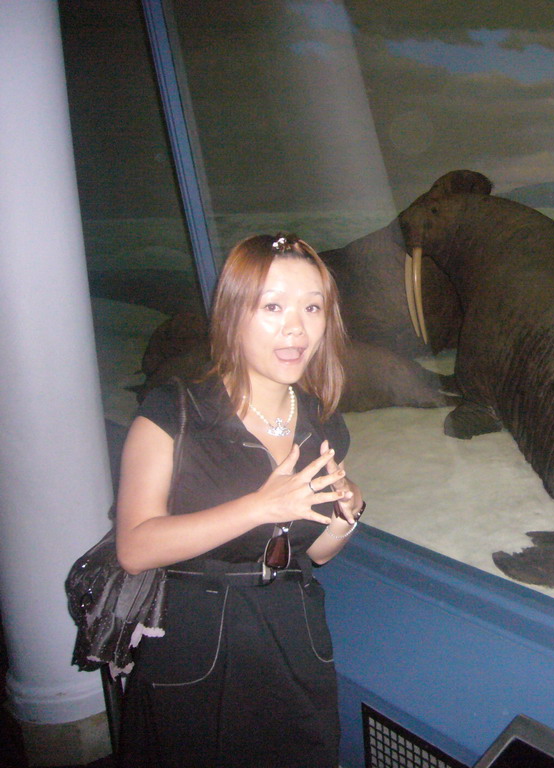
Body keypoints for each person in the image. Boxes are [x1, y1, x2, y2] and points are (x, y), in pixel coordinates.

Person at [115, 233, 363, 767]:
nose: (296, 328)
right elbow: (134, 547)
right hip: (196, 642)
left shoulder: (324, 422)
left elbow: (313, 554)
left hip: (293, 640)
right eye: (272, 307)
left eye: (312, 307)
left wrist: (344, 518)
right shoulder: (174, 412)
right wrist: (259, 505)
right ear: (233, 314)